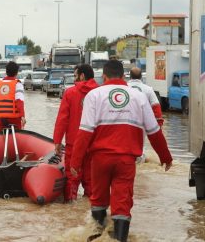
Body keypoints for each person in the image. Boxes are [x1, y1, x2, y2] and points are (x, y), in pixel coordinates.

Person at [70, 61, 173, 242]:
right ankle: (119, 238)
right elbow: (154, 131)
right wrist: (165, 157)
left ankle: (97, 235)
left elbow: (85, 132)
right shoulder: (139, 97)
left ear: (104, 77)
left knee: (98, 198)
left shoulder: (94, 95)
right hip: (126, 160)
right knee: (122, 202)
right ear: (123, 76)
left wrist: (75, 162)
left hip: (99, 160)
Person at [53, 64, 98, 202]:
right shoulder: (100, 93)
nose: (74, 79)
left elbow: (62, 119)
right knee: (92, 183)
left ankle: (70, 212)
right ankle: (89, 214)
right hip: (95, 145)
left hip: (74, 144)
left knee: (72, 181)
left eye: (75, 75)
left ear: (82, 76)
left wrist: (57, 141)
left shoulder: (70, 93)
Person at [128, 67, 164, 163]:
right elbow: (156, 107)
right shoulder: (148, 89)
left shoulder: (124, 87)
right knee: (140, 145)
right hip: (141, 122)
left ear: (129, 76)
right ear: (141, 77)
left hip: (124, 121)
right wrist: (158, 125)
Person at [0, 61, 26, 132]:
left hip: (0, 120)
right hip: (14, 120)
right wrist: (22, 116)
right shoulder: (18, 85)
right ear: (16, 73)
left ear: (6, 72)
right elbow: (19, 101)